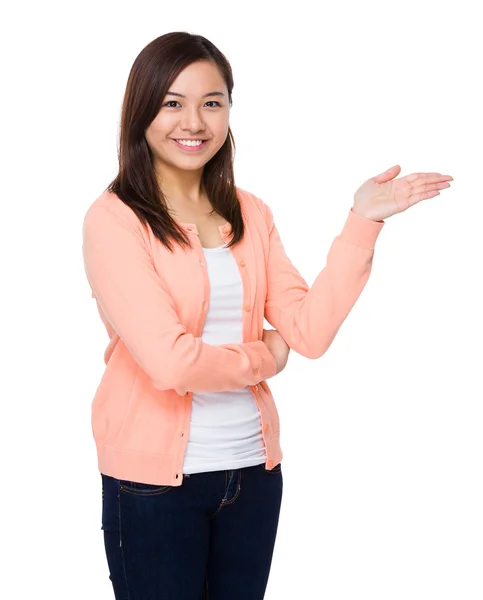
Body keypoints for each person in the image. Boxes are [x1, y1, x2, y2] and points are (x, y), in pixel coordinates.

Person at [82, 31, 453, 600]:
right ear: (142, 112)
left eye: (212, 102)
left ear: (229, 111)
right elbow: (171, 363)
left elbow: (308, 330)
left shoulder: (250, 212)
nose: (194, 122)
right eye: (172, 103)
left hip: (252, 475)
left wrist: (363, 220)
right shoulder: (115, 220)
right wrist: (265, 355)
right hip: (153, 488)